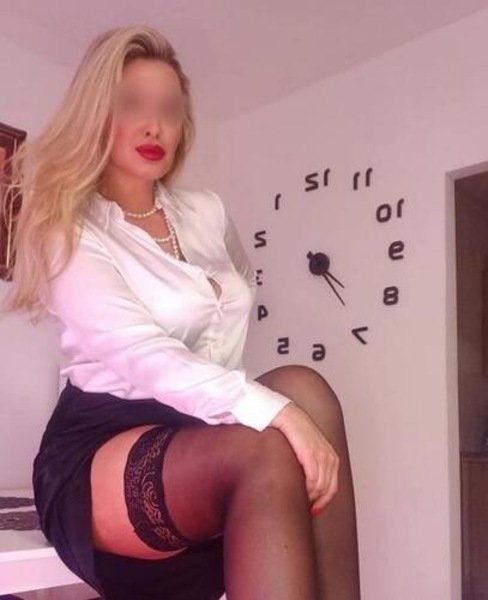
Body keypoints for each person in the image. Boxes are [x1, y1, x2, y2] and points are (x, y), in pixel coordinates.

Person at [1, 25, 361, 600]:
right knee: (271, 436)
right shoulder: (67, 227)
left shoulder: (206, 212)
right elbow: (141, 352)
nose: (155, 125)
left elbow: (239, 282)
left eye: (169, 109)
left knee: (306, 388)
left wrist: (266, 402)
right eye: (132, 104)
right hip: (103, 440)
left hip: (197, 427)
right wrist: (275, 414)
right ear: (97, 115)